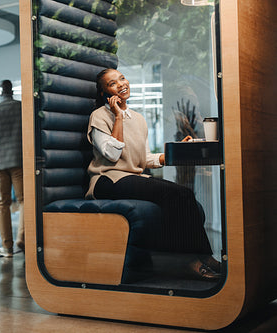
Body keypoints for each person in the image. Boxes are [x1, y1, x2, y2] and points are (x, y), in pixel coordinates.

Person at [85, 68, 220, 280]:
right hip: (107, 180)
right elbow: (112, 154)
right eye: (112, 84)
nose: (121, 84)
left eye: (122, 78)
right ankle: (190, 260)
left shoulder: (138, 119)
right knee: (179, 194)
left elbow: (145, 158)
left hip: (132, 178)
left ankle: (203, 255)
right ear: (105, 93)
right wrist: (118, 116)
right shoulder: (99, 116)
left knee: (184, 194)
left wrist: (176, 152)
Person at [0, 80, 24, 257]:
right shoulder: (22, 108)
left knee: (2, 205)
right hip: (19, 161)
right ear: (12, 91)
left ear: (0, 92)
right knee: (23, 201)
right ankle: (22, 239)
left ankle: (7, 248)